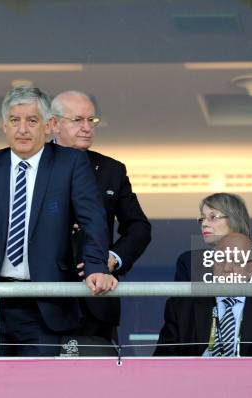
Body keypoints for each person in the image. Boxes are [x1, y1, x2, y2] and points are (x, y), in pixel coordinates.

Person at [0, 86, 117, 356]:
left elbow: (93, 220)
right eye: (15, 120)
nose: (22, 129)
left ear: (48, 126)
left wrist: (96, 267)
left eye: (32, 120)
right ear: (4, 126)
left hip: (45, 305)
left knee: (39, 388)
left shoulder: (71, 163)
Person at [50, 90, 151, 342]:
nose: (87, 128)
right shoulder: (33, 166)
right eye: (78, 120)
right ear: (54, 124)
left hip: (96, 302)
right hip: (43, 301)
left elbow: (139, 227)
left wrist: (112, 258)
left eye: (91, 121)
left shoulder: (111, 170)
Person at [154, 233, 252, 357]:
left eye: (236, 261)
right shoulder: (181, 308)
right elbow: (162, 363)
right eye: (220, 259)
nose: (226, 268)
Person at [174, 192, 251, 282]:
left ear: (235, 220)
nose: (204, 224)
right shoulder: (189, 262)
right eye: (202, 218)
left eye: (213, 217)